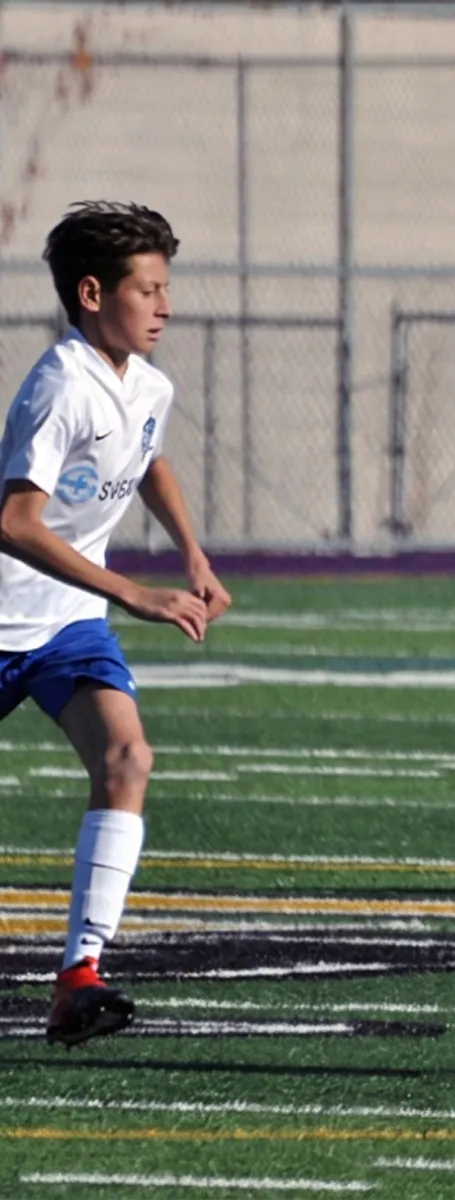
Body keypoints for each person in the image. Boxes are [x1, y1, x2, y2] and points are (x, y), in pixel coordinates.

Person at [2, 201, 232, 1046]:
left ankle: (78, 978)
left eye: (167, 287)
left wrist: (193, 556)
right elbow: (14, 523)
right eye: (149, 289)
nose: (165, 305)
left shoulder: (146, 382)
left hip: (65, 627)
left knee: (127, 756)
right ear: (93, 293)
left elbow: (146, 457)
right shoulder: (61, 385)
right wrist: (136, 592)